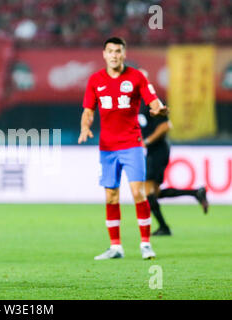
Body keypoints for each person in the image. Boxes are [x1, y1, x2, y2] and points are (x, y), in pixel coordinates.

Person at [78, 37, 168, 260]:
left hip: (132, 145)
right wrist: (84, 127)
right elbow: (88, 110)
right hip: (107, 148)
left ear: (124, 54)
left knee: (138, 193)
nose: (114, 55)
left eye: (118, 51)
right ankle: (115, 247)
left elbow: (153, 100)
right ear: (104, 54)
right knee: (110, 197)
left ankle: (146, 244)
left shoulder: (136, 77)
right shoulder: (95, 80)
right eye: (110, 51)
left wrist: (159, 110)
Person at [137, 69, 209, 236]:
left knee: (148, 193)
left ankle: (164, 227)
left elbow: (165, 126)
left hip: (158, 150)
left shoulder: (152, 102)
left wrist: (146, 142)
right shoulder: (137, 104)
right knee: (154, 193)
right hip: (153, 151)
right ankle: (195, 193)